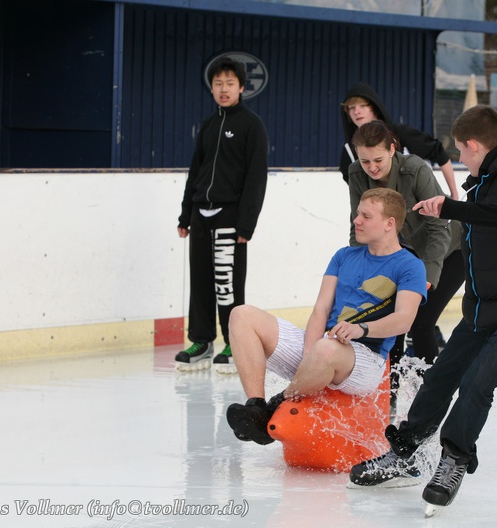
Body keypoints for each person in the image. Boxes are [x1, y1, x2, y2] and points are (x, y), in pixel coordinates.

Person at [348, 105, 497, 510]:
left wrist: (451, 207)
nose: (459, 159)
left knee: (478, 383)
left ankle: (454, 459)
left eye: (461, 152)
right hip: (488, 306)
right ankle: (406, 450)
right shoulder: (485, 181)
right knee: (442, 375)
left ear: (475, 145)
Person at [225, 188, 427, 445]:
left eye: (366, 216)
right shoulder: (344, 255)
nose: (357, 220)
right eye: (357, 214)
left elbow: (404, 319)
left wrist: (361, 329)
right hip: (324, 347)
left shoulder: (410, 265)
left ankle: (274, 407)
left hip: (365, 359)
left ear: (389, 224)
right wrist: (310, 351)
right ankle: (255, 405)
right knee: (241, 315)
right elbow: (320, 309)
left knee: (327, 348)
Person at [175, 57, 269, 374]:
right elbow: (195, 172)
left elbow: (257, 178)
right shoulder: (208, 125)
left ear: (241, 88)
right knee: (200, 280)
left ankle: (234, 341)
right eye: (218, 84)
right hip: (201, 216)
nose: (223, 89)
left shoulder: (251, 125)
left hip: (231, 217)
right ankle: (201, 341)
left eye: (230, 83)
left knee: (226, 283)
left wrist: (247, 224)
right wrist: (185, 215)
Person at [347, 120, 464, 367]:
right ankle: (390, 400)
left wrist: (429, 276)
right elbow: (358, 224)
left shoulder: (415, 169)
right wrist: (357, 270)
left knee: (419, 323)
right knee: (389, 326)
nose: (372, 168)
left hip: (450, 252)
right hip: (406, 260)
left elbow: (438, 226)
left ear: (392, 149)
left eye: (378, 160)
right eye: (365, 161)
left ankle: (430, 393)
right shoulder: (357, 173)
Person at [340, 82, 459, 199]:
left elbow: (439, 152)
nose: (357, 111)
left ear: (374, 107)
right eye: (351, 107)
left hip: (423, 205)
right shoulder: (349, 150)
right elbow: (355, 188)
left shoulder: (402, 134)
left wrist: (454, 193)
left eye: (363, 105)